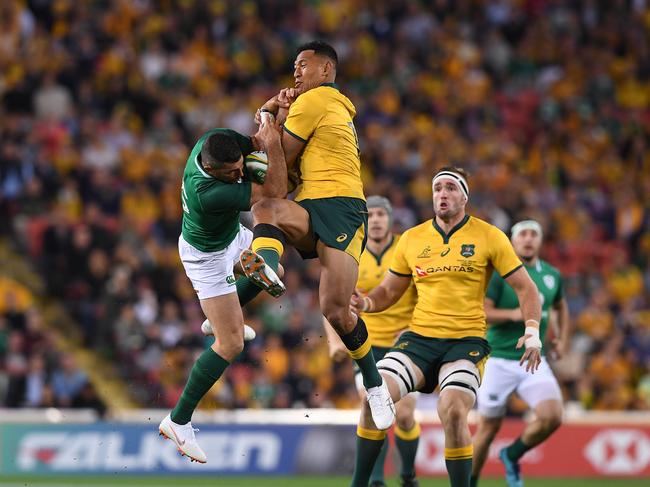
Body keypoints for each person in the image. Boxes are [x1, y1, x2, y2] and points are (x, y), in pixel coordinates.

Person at [347, 167, 543, 487]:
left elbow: (527, 288)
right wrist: (366, 303)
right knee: (375, 396)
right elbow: (388, 291)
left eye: (451, 188)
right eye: (438, 188)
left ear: (464, 197)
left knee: (452, 410)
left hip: (465, 342)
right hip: (420, 338)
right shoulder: (412, 238)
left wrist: (532, 332)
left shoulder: (489, 235)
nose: (442, 194)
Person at [241, 40, 395, 429]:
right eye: (294, 65)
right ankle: (252, 286)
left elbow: (274, 164)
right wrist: (271, 117)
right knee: (266, 210)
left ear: (326, 71)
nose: (296, 71)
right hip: (317, 204)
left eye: (304, 65)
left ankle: (375, 386)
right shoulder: (325, 106)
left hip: (342, 209)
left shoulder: (315, 101)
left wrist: (268, 118)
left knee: (336, 311)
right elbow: (277, 175)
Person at [158, 120, 288, 463]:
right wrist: (271, 144)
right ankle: (178, 420)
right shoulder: (210, 192)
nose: (239, 174)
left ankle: (218, 318)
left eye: (240, 168)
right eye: (231, 173)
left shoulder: (213, 143)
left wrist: (271, 112)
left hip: (229, 237)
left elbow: (256, 139)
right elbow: (274, 192)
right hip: (207, 257)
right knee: (232, 343)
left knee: (276, 269)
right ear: (213, 169)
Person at [324, 196, 420, 487]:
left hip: (404, 342)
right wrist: (333, 342)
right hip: (364, 344)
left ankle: (407, 476)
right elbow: (330, 302)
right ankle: (377, 480)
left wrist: (415, 330)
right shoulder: (352, 251)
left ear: (390, 218)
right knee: (370, 403)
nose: (376, 219)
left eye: (381, 214)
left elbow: (428, 296)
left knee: (403, 414)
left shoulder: (408, 249)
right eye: (372, 214)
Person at [471, 220, 569, 487]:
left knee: (552, 416)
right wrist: (516, 314)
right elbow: (483, 312)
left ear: (540, 240)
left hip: (534, 359)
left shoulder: (551, 275)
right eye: (522, 234)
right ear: (513, 241)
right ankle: (469, 483)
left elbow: (560, 306)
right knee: (488, 428)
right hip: (498, 360)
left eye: (533, 234)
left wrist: (560, 338)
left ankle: (511, 454)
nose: (528, 239)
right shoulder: (500, 273)